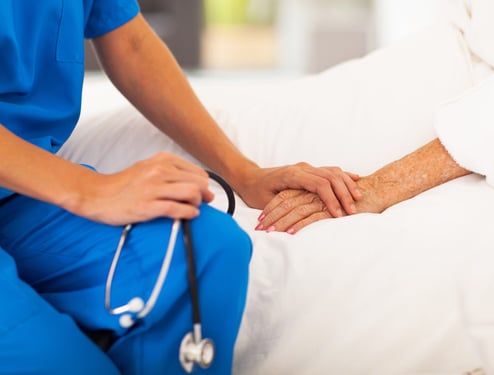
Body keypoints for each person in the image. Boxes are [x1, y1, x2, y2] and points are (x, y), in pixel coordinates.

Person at [0, 1, 360, 374]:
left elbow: (129, 41)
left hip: (26, 195)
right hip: (51, 187)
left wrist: (244, 174)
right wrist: (91, 190)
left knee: (208, 246)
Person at [256, 0, 494, 234]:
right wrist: (248, 177)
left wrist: (376, 188)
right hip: (450, 53)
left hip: (474, 111)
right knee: (242, 126)